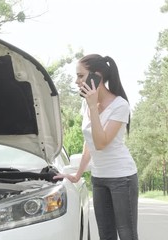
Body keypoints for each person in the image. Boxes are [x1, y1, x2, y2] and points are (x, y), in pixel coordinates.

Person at [54, 54, 139, 240]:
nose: (76, 81)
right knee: (106, 235)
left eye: (81, 76)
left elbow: (101, 143)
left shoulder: (120, 105)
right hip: (99, 178)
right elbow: (89, 143)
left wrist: (93, 108)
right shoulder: (86, 104)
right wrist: (77, 174)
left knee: (127, 235)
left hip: (122, 178)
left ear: (97, 76)